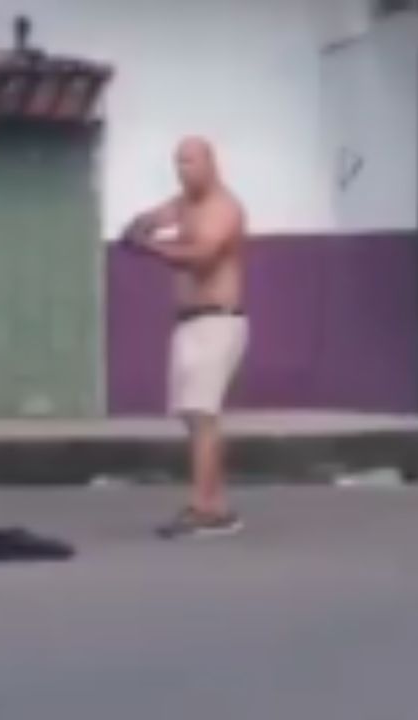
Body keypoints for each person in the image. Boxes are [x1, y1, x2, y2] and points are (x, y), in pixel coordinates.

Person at [121, 137, 249, 538]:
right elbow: (151, 218)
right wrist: (139, 225)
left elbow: (201, 258)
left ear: (211, 163)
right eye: (178, 162)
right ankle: (216, 505)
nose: (183, 170)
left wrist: (148, 246)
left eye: (190, 162)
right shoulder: (183, 203)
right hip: (189, 324)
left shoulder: (224, 208)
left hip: (218, 322)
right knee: (193, 418)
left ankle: (204, 510)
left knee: (202, 415)